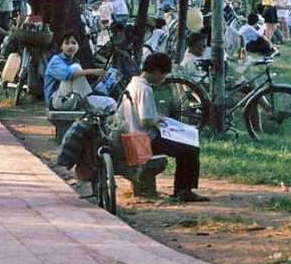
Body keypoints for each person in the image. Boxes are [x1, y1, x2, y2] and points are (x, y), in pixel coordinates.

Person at [119, 52, 209, 202]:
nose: (163, 79)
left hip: (134, 136)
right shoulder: (145, 89)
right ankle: (184, 190)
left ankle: (180, 190)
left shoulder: (133, 84)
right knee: (191, 148)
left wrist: (157, 117)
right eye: (164, 75)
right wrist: (157, 122)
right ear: (156, 71)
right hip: (145, 141)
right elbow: (145, 121)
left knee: (186, 146)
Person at [44, 32, 117, 112]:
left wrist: (97, 83)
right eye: (67, 43)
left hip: (76, 99)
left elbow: (82, 90)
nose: (70, 46)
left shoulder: (75, 62)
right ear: (61, 46)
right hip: (58, 101)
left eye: (74, 43)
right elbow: (67, 74)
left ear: (78, 46)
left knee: (110, 103)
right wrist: (93, 71)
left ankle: (104, 123)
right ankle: (89, 107)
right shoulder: (56, 60)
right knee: (75, 68)